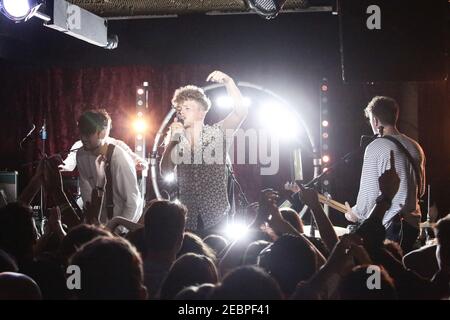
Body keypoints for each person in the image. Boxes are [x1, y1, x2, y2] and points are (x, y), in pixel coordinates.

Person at [160, 71, 248, 235]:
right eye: (179, 109)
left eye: (187, 108)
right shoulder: (177, 140)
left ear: (202, 112)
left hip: (217, 218)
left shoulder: (218, 133)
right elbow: (165, 170)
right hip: (188, 219)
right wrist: (173, 140)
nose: (181, 112)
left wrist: (229, 82)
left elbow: (240, 112)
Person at [345, 96, 426, 252]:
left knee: (378, 274)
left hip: (389, 231)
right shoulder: (415, 146)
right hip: (411, 229)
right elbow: (420, 191)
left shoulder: (376, 146)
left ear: (375, 121)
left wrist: (353, 214)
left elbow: (367, 200)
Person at [76, 109, 143, 224]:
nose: (83, 138)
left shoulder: (119, 158)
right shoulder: (81, 155)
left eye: (88, 133)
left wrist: (118, 230)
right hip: (100, 224)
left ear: (102, 132)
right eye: (82, 133)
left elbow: (133, 203)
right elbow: (86, 192)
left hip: (123, 224)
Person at [60, 109, 148, 172]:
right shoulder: (79, 145)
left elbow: (136, 159)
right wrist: (61, 167)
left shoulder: (118, 145)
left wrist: (140, 164)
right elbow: (69, 163)